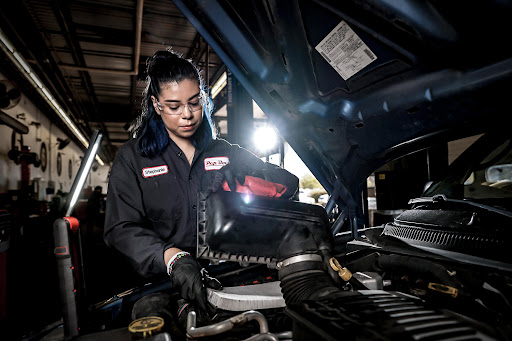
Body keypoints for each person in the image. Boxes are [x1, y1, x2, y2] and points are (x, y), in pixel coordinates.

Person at [103, 49, 298, 321]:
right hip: (162, 282)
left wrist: (247, 178)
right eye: (174, 106)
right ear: (156, 105)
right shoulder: (133, 158)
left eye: (194, 103)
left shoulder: (224, 151)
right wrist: (171, 257)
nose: (188, 114)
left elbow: (288, 183)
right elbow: (121, 228)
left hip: (225, 274)